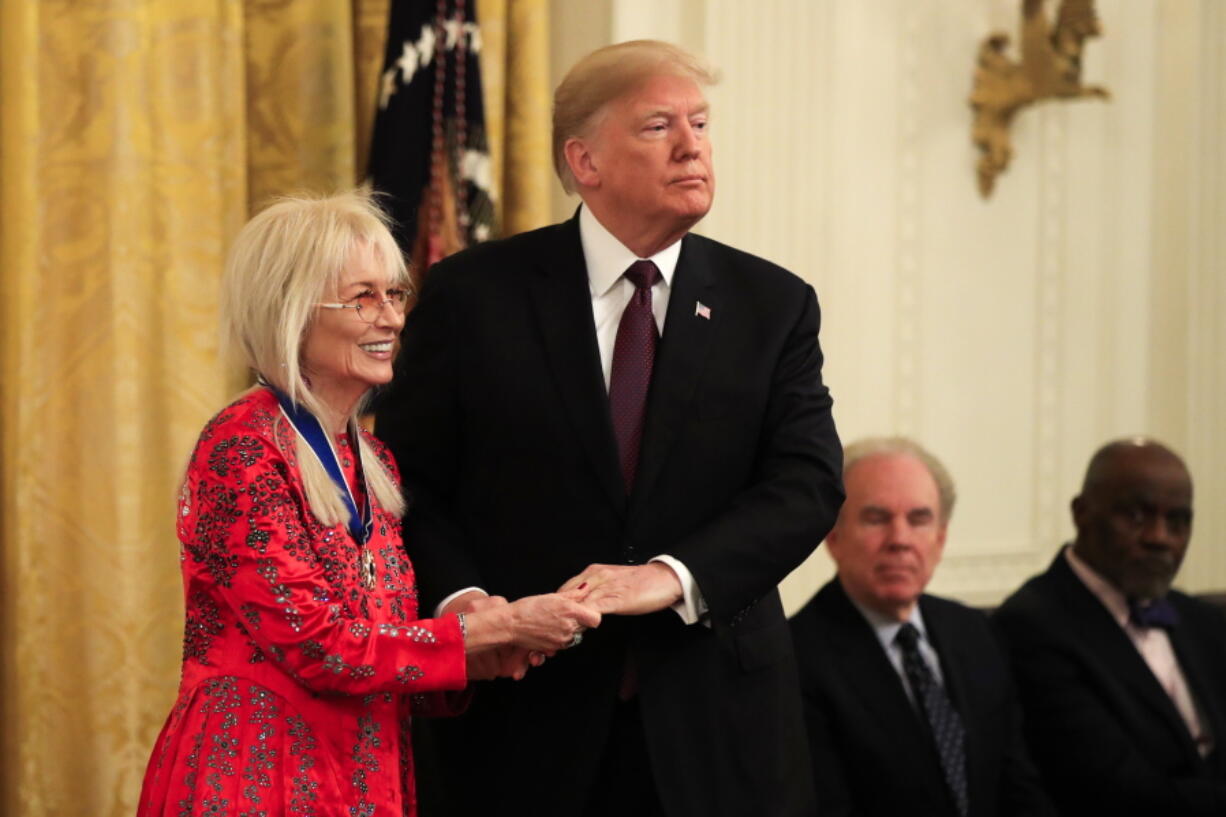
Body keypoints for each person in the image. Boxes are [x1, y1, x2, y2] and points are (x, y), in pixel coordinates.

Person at [374, 40, 843, 817]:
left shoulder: (773, 304)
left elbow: (807, 482)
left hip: (717, 725)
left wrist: (669, 575)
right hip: (522, 726)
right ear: (584, 161)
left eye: (700, 122)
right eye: (659, 125)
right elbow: (408, 479)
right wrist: (465, 605)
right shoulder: (474, 295)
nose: (694, 145)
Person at [137, 190, 600, 817]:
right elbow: (320, 647)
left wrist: (477, 657)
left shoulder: (374, 461)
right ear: (292, 311)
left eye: (395, 294)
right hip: (254, 774)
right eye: (364, 297)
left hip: (364, 773)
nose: (391, 319)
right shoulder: (241, 449)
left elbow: (382, 649)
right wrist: (491, 627)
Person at [789, 437, 1053, 817]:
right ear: (834, 537)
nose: (899, 540)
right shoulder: (798, 659)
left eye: (919, 519)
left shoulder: (976, 631)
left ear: (941, 539)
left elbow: (1016, 782)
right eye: (876, 518)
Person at [993, 438, 1226, 816]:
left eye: (1178, 521)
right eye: (1135, 516)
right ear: (1081, 512)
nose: (1159, 537)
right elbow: (1112, 791)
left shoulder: (1203, 620)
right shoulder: (1031, 626)